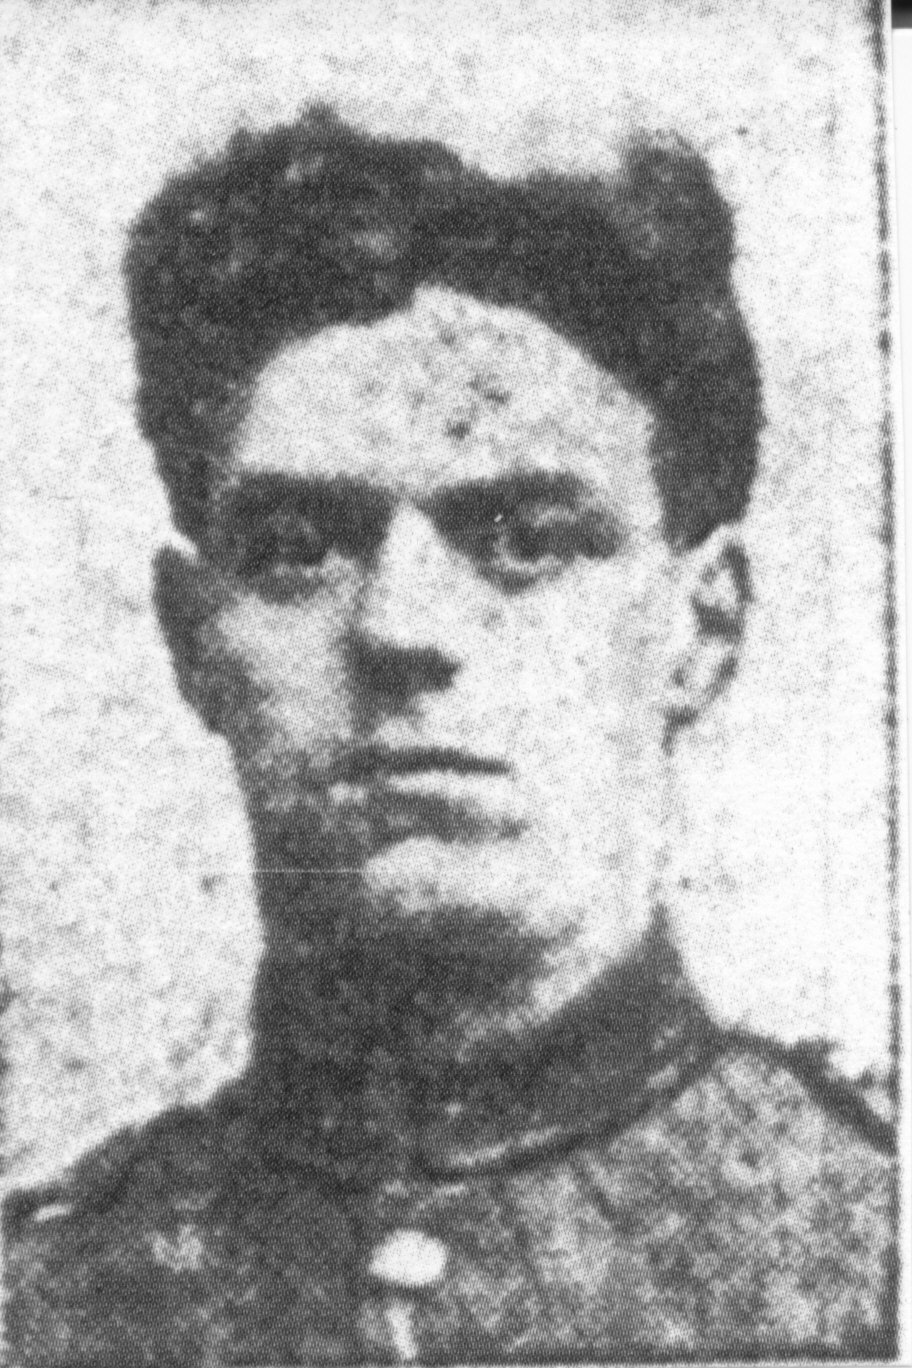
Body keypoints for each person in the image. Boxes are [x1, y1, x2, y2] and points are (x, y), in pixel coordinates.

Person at [3, 108, 896, 1365]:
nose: (401, 630)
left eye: (526, 540)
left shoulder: (871, 1240)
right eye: (298, 550)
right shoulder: (44, 1301)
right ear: (194, 640)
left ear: (702, 628)